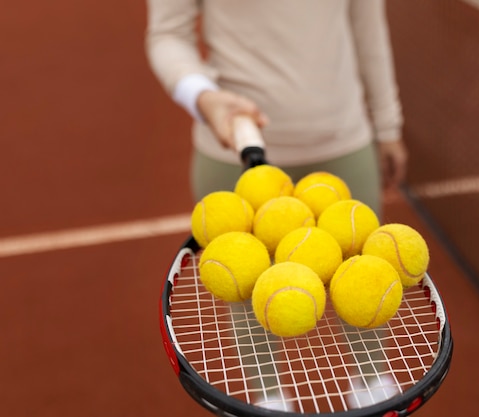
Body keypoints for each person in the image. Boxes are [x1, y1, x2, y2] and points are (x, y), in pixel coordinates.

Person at [146, 0, 407, 411]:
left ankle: (373, 384)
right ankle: (268, 398)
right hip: (230, 144)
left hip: (343, 143)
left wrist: (387, 124)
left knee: (365, 278)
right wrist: (204, 97)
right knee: (246, 287)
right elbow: (167, 34)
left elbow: (367, 28)